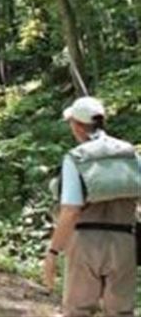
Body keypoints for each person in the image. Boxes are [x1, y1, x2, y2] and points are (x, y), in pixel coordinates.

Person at [44, 96, 140, 317]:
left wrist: (53, 251)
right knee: (121, 312)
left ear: (77, 126)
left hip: (85, 244)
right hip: (124, 242)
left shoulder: (76, 158)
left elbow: (71, 211)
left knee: (78, 310)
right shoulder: (129, 154)